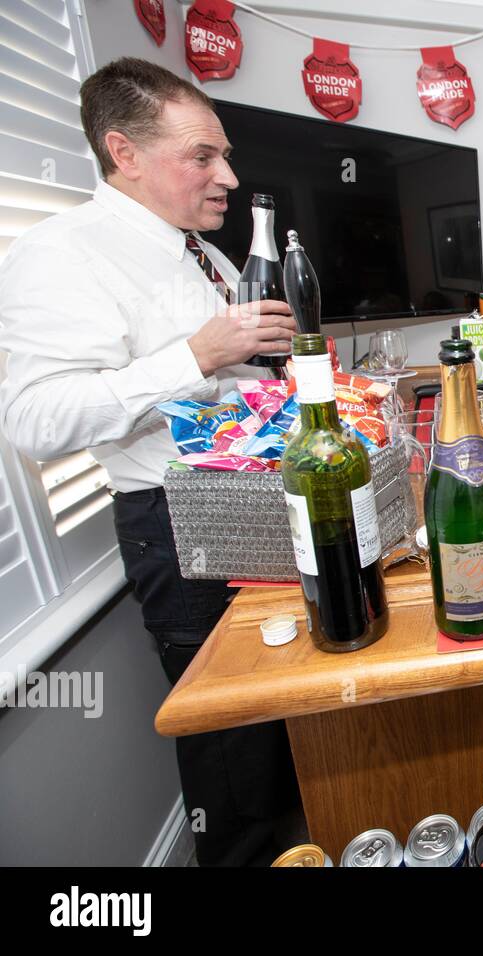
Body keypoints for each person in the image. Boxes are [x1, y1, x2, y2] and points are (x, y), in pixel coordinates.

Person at [0, 59, 301, 865]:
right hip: (178, 527)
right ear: (123, 152)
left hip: (253, 504)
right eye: (203, 156)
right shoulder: (61, 254)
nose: (229, 176)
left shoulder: (204, 255)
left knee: (279, 703)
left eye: (225, 154)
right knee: (226, 732)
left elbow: (241, 382)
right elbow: (33, 420)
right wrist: (195, 355)